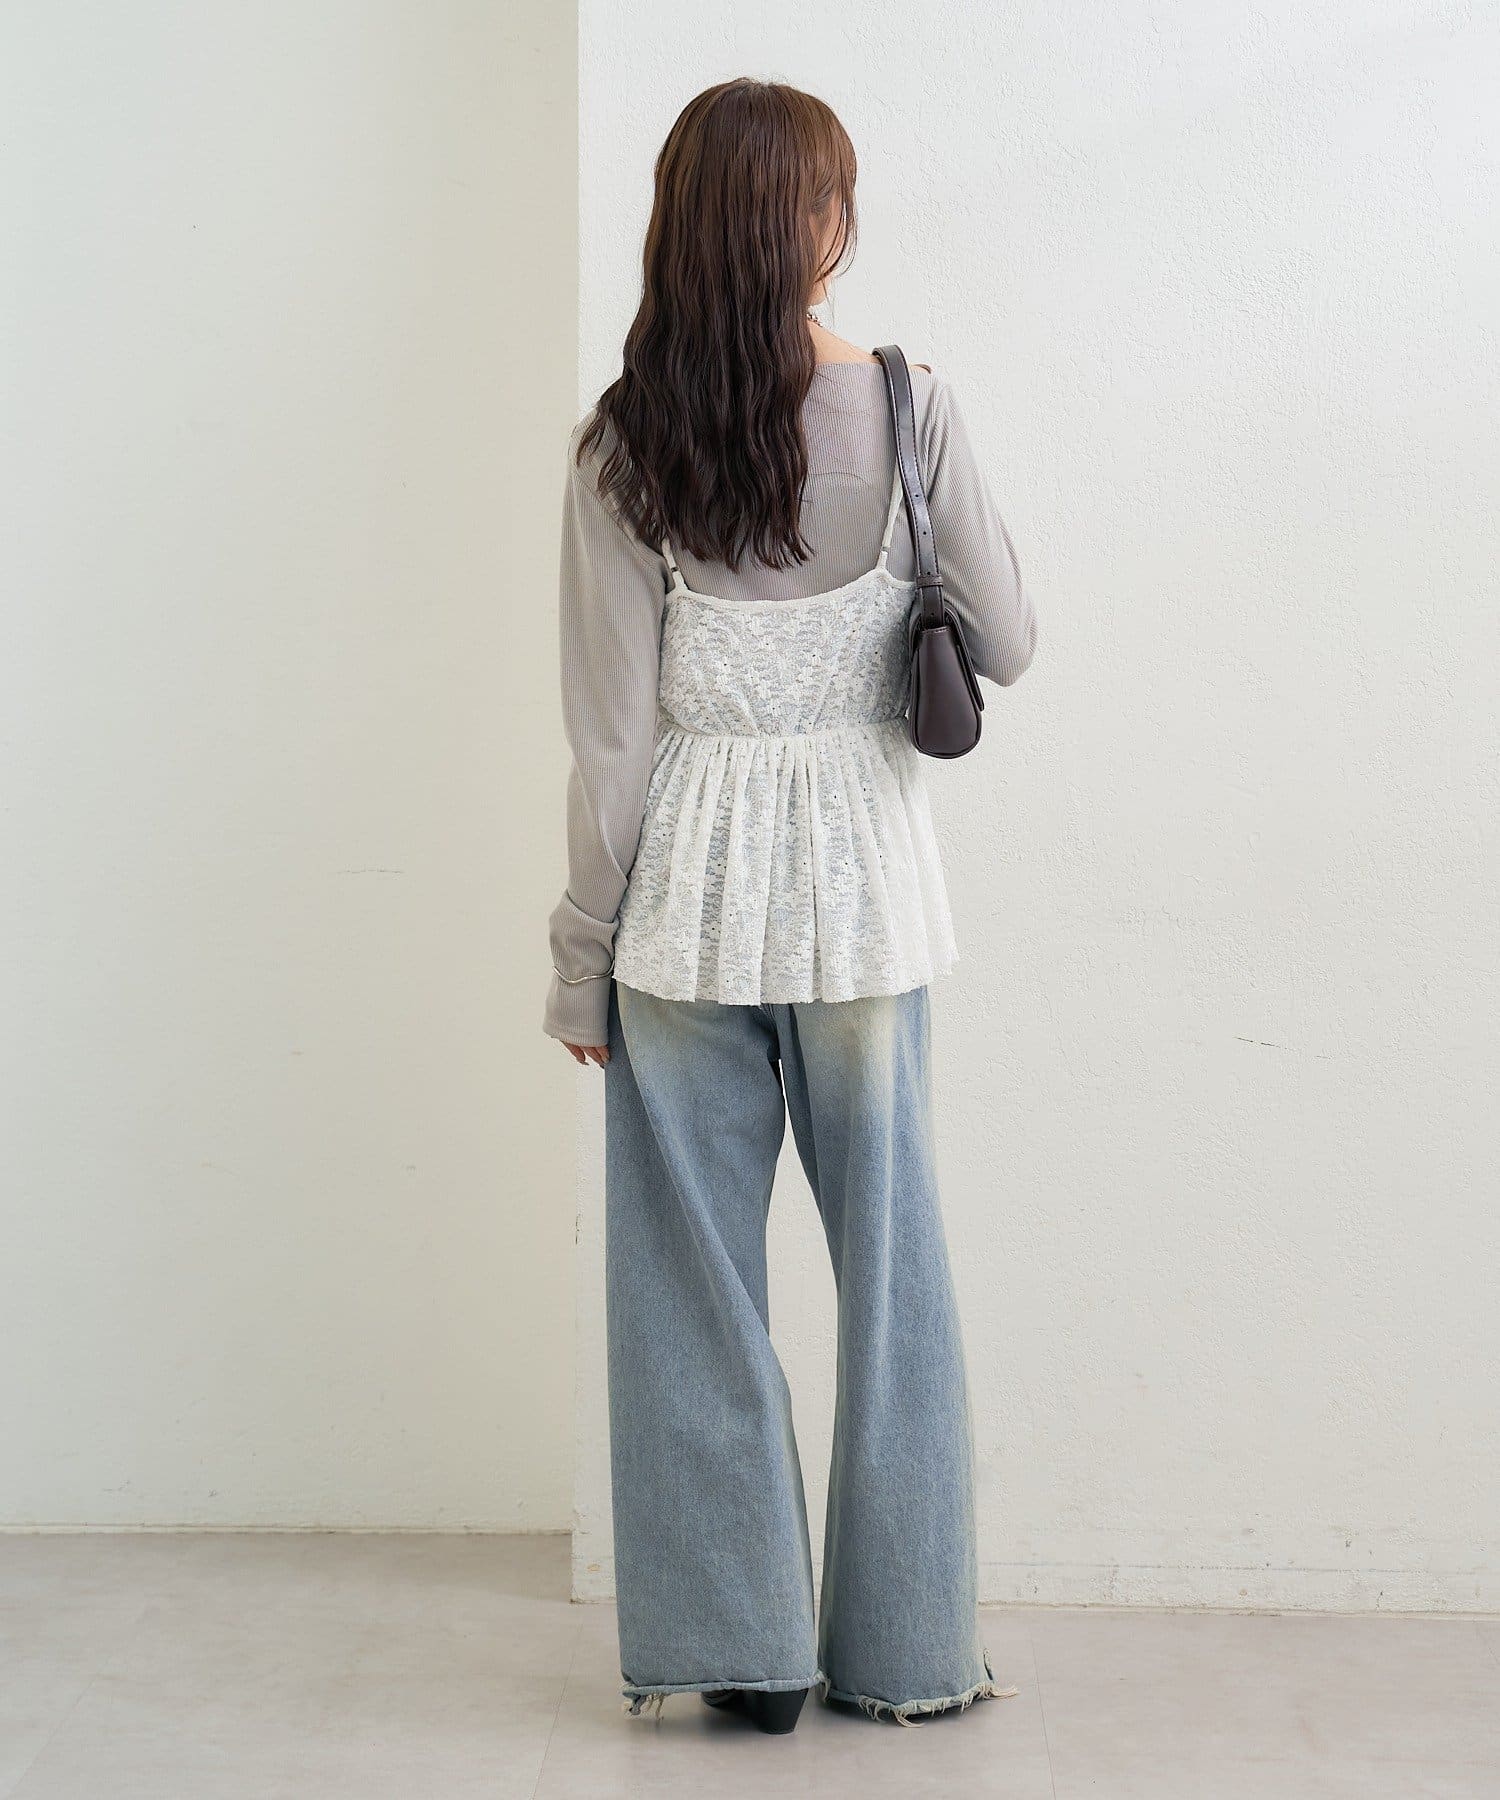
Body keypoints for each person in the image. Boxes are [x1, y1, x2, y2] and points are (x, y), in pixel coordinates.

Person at [543, 77, 1037, 1733]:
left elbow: (612, 741)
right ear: (818, 226)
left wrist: (582, 968)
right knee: (895, 1279)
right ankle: (905, 1652)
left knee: (688, 1285)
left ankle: (740, 1651)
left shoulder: (621, 444)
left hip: (681, 906)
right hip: (865, 903)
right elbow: (1011, 638)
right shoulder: (910, 406)